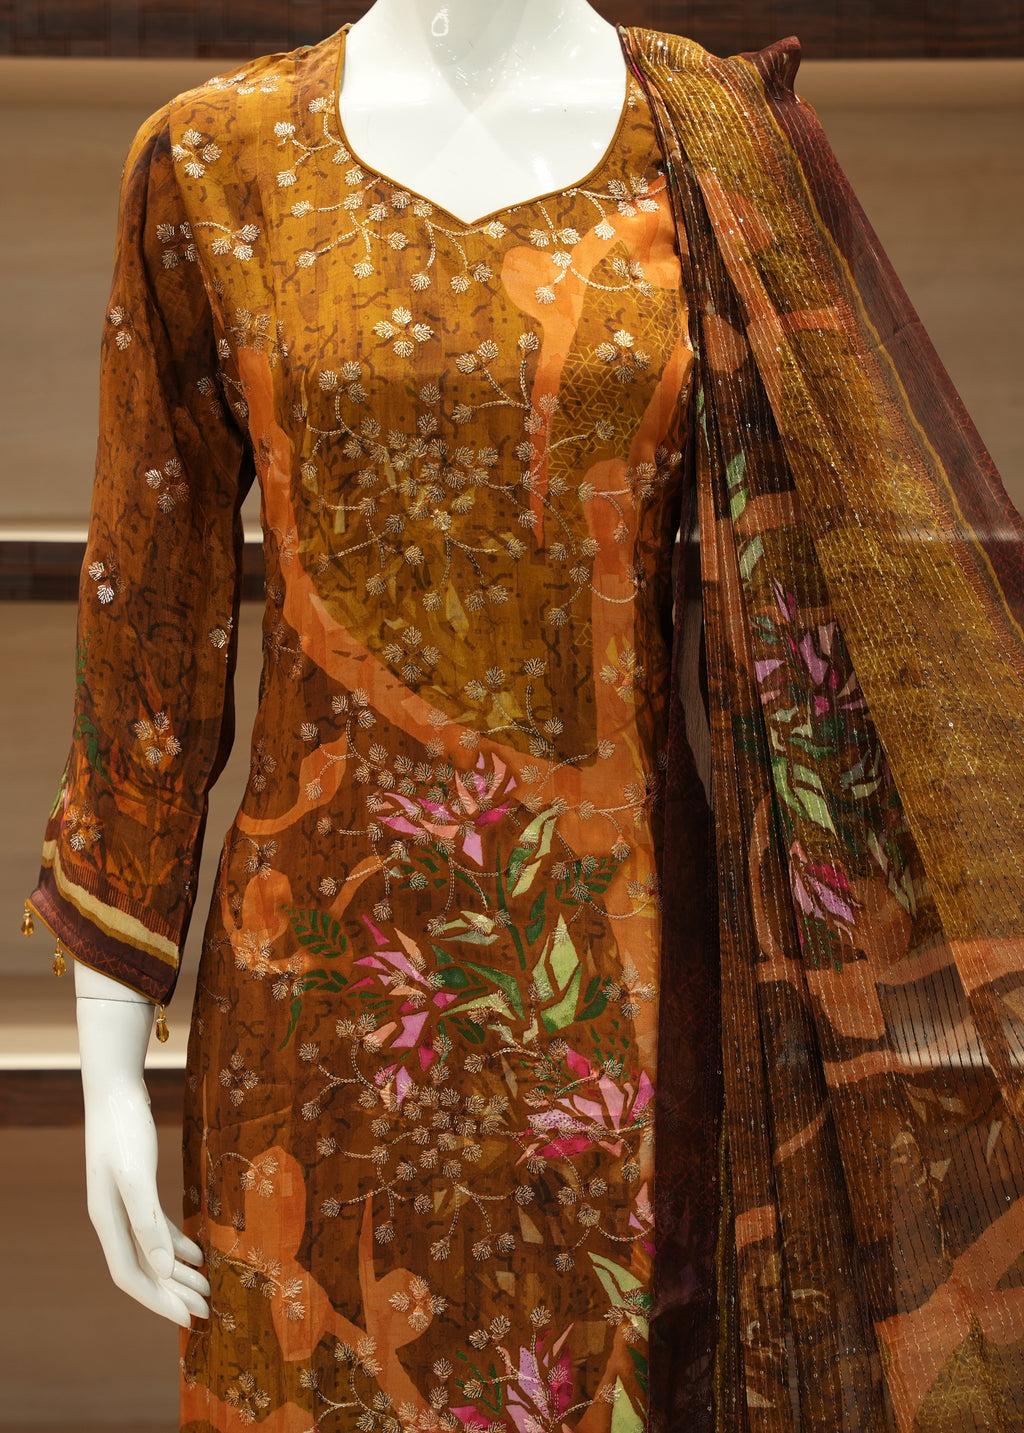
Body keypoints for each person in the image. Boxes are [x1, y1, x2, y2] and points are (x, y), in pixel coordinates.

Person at [24, 1, 1024, 1429]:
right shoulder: (217, 167)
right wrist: (109, 1062)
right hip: (318, 1003)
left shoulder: (714, 155)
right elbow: (148, 630)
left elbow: (832, 595)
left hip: (621, 991)